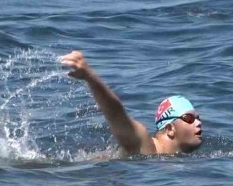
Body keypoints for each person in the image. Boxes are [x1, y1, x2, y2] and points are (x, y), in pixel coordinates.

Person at [59, 51, 203, 156]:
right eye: (189, 118)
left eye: (198, 118)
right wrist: (90, 77)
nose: (198, 123)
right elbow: (117, 115)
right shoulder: (145, 145)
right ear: (170, 128)